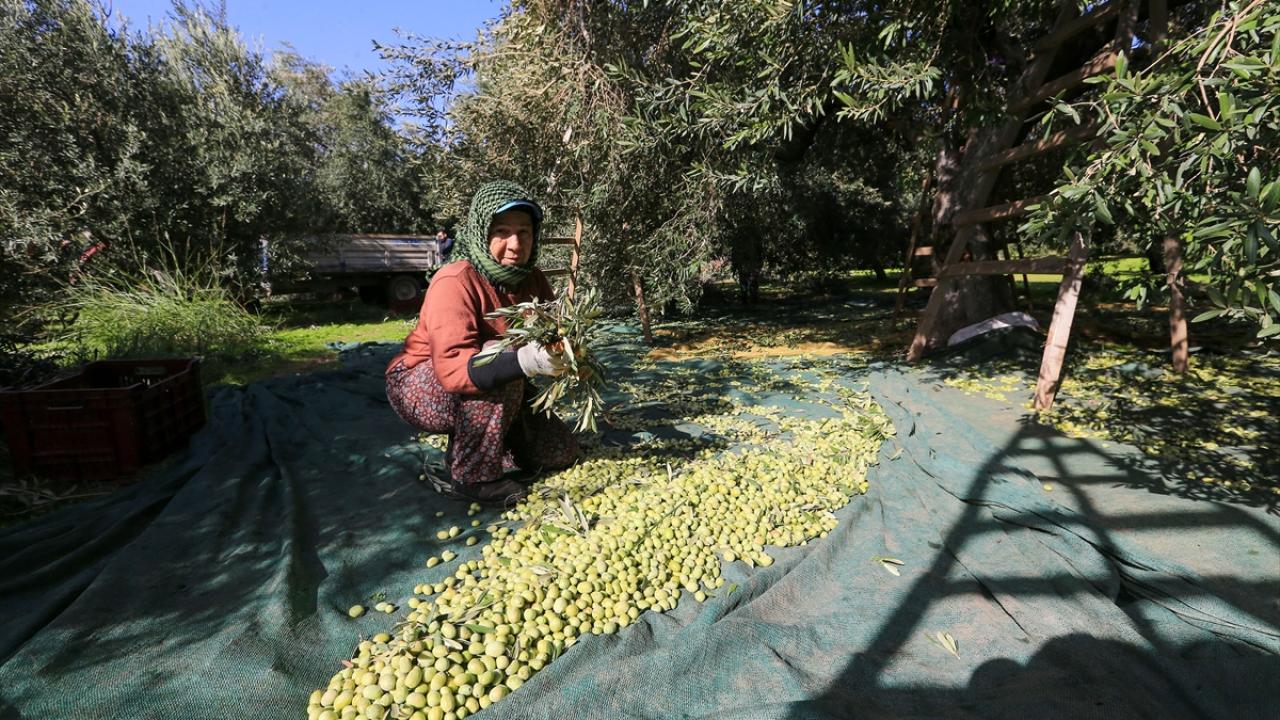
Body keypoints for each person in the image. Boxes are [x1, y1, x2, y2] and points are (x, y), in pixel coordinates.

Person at [386, 181, 580, 505]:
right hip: (419, 383)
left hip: (498, 384)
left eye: (525, 232)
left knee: (559, 452)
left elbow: (552, 332)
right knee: (500, 363)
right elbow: (453, 371)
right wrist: (526, 361)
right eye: (502, 231)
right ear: (481, 232)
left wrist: (569, 355)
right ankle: (472, 478)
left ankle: (485, 446)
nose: (516, 244)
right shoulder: (454, 281)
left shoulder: (533, 279)